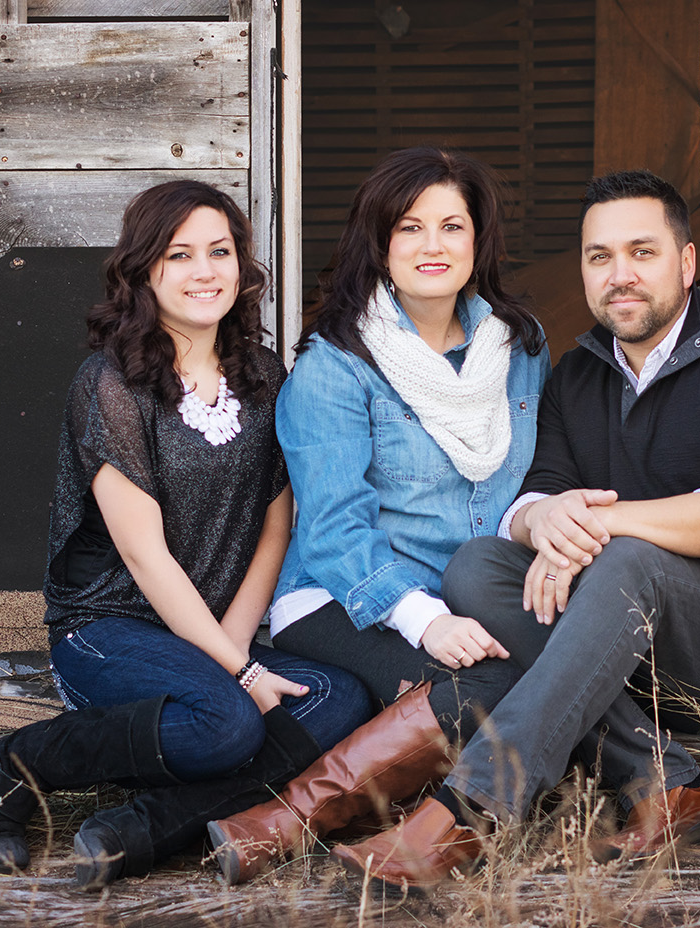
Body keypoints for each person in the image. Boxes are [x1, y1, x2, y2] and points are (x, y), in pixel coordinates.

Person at [329, 169, 700, 890]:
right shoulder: (576, 375)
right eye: (599, 257)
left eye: (641, 252)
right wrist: (543, 519)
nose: (618, 275)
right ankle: (671, 782)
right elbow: (527, 503)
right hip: (626, 643)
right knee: (477, 564)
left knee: (628, 559)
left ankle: (470, 809)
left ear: (686, 263)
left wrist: (595, 526)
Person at [0, 181, 369, 888]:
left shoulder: (264, 376)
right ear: (145, 270)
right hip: (108, 628)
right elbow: (142, 557)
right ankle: (13, 766)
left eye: (220, 251)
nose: (204, 271)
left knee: (340, 698)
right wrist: (238, 674)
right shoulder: (112, 383)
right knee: (227, 725)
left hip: (210, 637)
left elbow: (276, 526)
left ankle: (143, 826)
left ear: (243, 267)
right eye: (179, 255)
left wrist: (236, 647)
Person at [204, 147, 549, 884]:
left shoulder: (520, 348)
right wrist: (425, 620)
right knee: (500, 686)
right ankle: (284, 826)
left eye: (451, 226)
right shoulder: (336, 365)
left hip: (475, 591)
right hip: (346, 595)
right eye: (409, 228)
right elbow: (331, 531)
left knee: (550, 670)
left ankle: (433, 831)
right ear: (379, 244)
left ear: (477, 239)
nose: (433, 246)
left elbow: (535, 476)